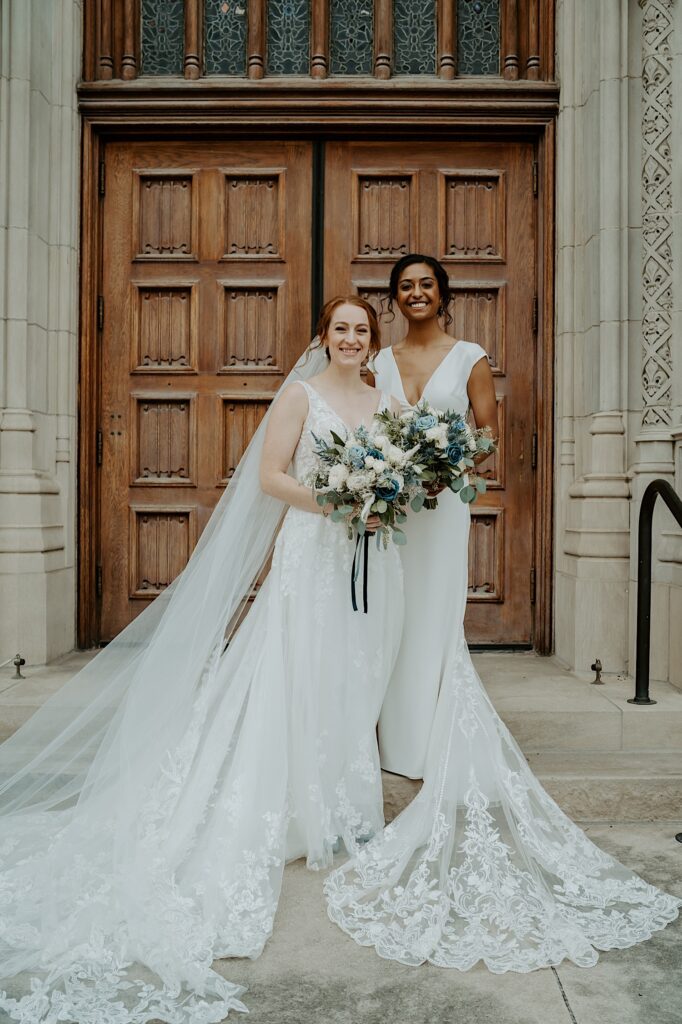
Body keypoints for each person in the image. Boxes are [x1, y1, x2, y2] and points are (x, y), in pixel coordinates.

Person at [0, 297, 403, 1024]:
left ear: (374, 343)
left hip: (372, 557)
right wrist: (339, 498)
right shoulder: (301, 396)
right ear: (324, 337)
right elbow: (271, 478)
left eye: (361, 331)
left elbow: (401, 468)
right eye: (340, 328)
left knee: (355, 671)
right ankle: (289, 806)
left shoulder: (383, 398)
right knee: (298, 671)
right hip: (314, 553)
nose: (350, 339)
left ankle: (335, 797)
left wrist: (382, 495)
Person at [324, 255, 680, 972]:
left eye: (426, 284)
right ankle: (391, 736)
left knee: (434, 615)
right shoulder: (380, 363)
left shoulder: (471, 358)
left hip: (444, 509)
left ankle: (428, 744)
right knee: (393, 613)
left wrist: (451, 467)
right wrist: (393, 471)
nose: (415, 293)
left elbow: (488, 437)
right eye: (404, 286)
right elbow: (366, 432)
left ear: (443, 294)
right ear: (393, 300)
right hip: (395, 508)